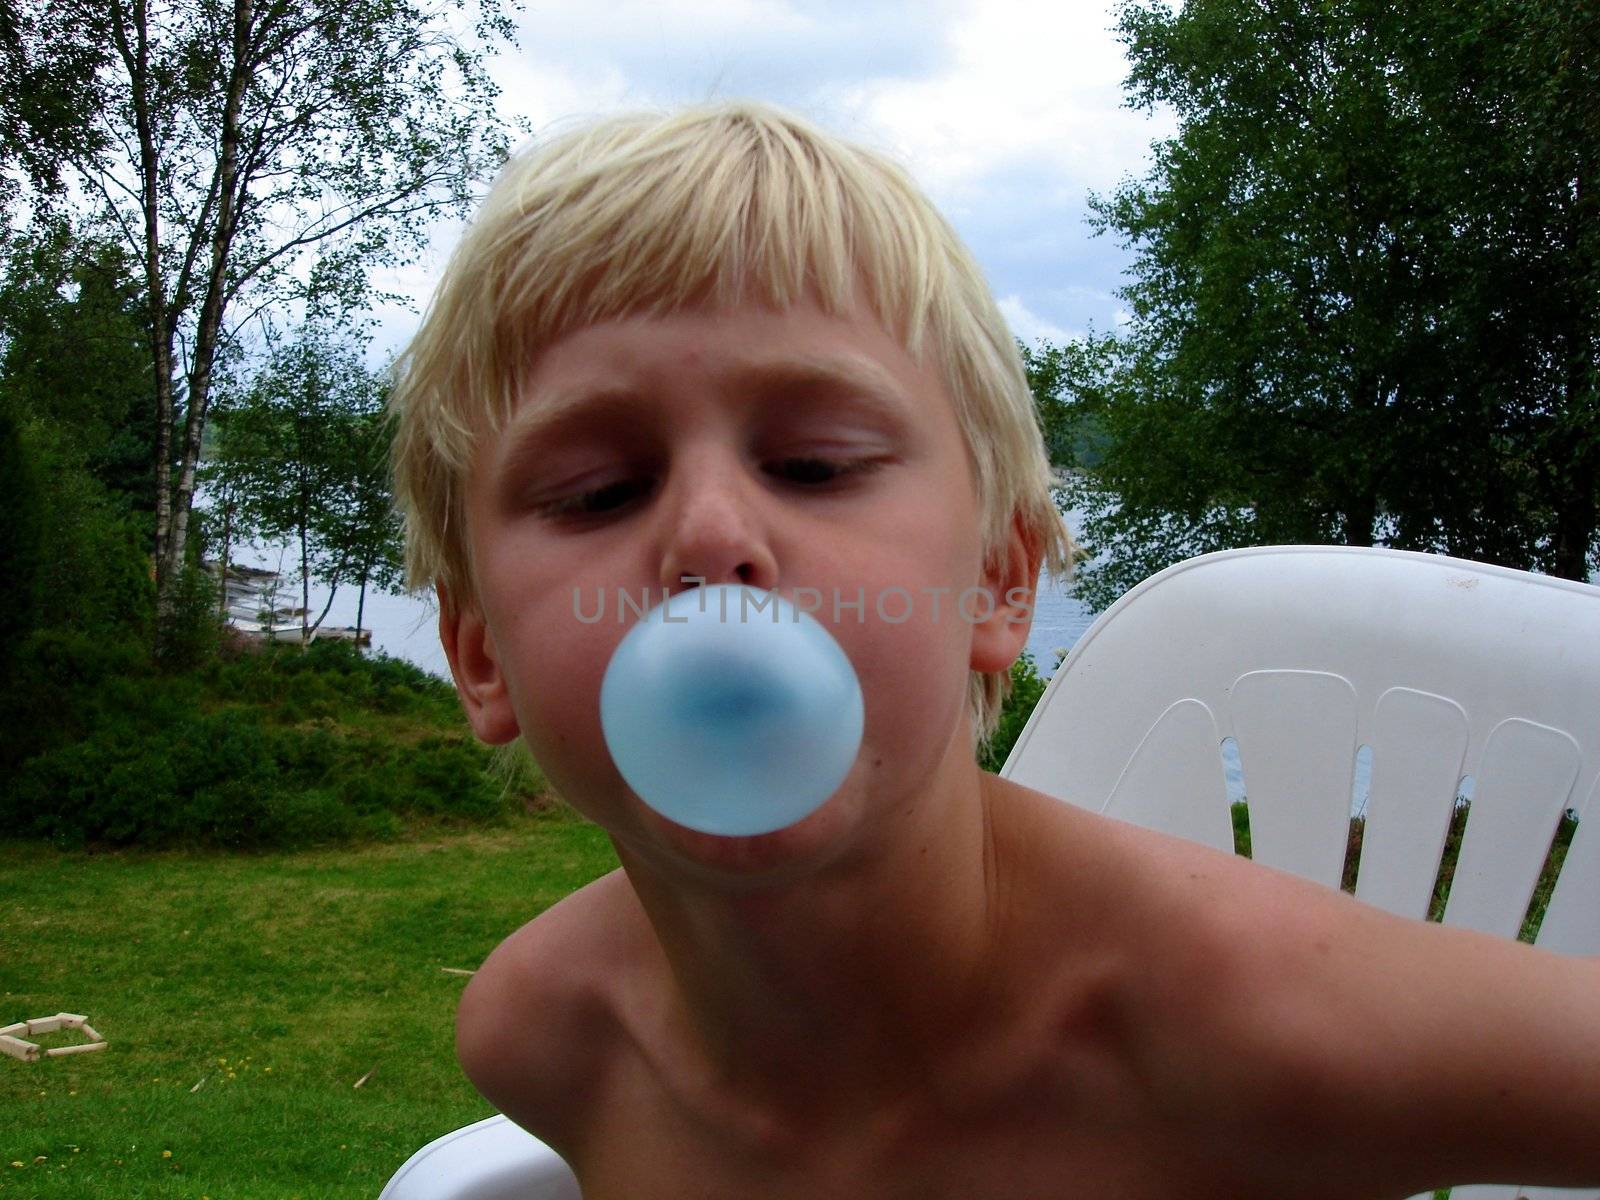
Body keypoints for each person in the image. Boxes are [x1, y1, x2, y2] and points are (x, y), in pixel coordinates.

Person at [389, 101, 1600, 1198]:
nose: (711, 539)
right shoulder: (548, 1035)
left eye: (813, 465)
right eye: (600, 490)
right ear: (481, 652)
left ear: (998, 582)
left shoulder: (1244, 1024)